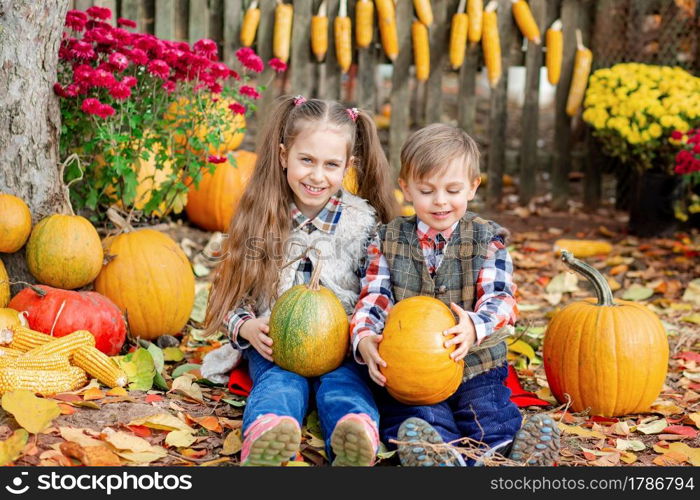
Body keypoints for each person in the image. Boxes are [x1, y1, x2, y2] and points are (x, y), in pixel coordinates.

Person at [203, 95, 399, 466]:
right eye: (306, 160)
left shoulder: (362, 224)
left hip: (340, 344)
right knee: (278, 384)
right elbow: (229, 294)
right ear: (282, 155)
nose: (317, 175)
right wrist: (246, 329)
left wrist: (363, 334)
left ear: (348, 167)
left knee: (346, 385)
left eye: (331, 165)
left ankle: (353, 432)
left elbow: (378, 291)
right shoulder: (262, 217)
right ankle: (269, 430)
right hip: (275, 344)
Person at [350, 123, 560, 466]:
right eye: (427, 190)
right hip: (411, 365)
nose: (440, 201)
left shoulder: (486, 238)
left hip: (475, 360)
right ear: (406, 189)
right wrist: (364, 340)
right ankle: (439, 456)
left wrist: (474, 327)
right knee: (415, 413)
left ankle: (510, 453)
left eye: (452, 189)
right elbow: (374, 298)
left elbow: (501, 298)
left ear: (473, 187)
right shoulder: (386, 239)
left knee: (487, 408)